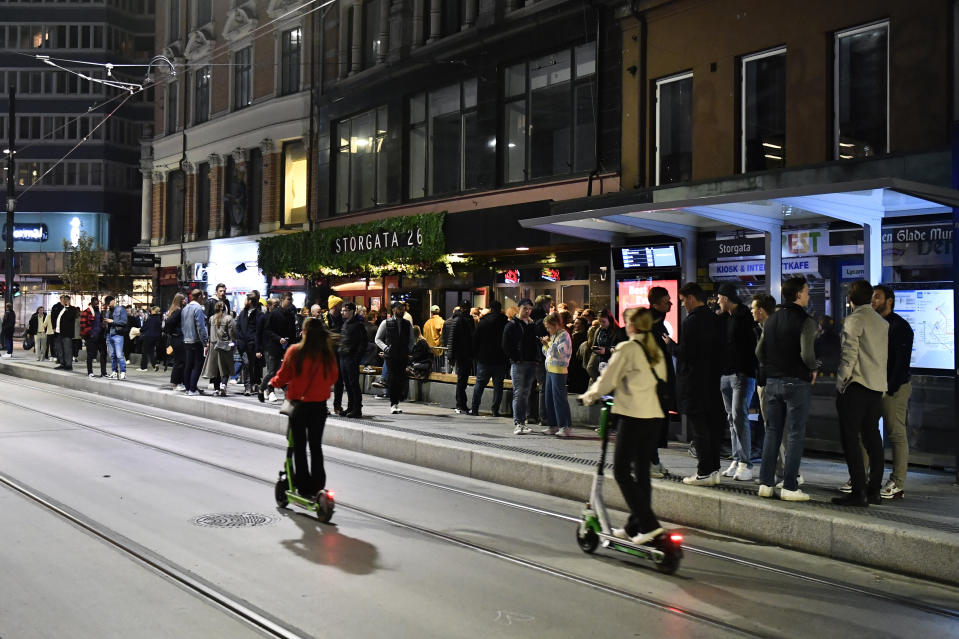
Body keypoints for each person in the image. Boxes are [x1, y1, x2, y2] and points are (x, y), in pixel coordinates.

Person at [580, 307, 669, 546]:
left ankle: (650, 526)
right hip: (655, 417)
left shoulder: (628, 348)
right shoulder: (654, 348)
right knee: (641, 473)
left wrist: (588, 396)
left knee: (620, 471)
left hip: (633, 416)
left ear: (633, 324)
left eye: (627, 320)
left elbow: (608, 379)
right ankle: (634, 526)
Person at [755, 278, 817, 501]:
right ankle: (789, 486)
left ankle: (765, 483)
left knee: (772, 432)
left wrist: (772, 366)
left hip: (773, 382)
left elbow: (759, 352)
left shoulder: (771, 320)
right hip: (796, 382)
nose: (808, 296)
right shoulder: (806, 321)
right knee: (794, 435)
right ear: (799, 294)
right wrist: (814, 368)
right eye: (807, 292)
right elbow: (807, 355)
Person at [267, 317, 339, 500]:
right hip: (320, 407)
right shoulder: (327, 355)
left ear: (304, 332)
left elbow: (282, 376)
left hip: (299, 406)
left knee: (299, 446)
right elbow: (333, 378)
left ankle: (304, 486)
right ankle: (318, 486)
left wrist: (271, 384)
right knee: (316, 446)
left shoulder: (295, 352)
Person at [833, 279, 888, 507]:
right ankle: (874, 490)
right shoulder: (881, 322)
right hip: (877, 388)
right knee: (873, 438)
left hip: (856, 386)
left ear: (850, 299)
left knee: (850, 438)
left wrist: (840, 381)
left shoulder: (854, 319)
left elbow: (849, 354)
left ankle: (858, 491)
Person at [869, 285, 914, 500]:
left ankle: (897, 482)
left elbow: (901, 363)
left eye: (877, 297)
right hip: (874, 387)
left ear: (890, 300)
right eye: (872, 297)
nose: (873, 301)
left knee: (896, 434)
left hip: (893, 389)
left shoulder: (900, 327)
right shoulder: (876, 324)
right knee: (866, 430)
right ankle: (864, 476)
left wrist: (891, 388)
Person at [678, 283, 725, 487]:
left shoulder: (692, 321)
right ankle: (714, 470)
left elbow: (687, 354)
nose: (682, 305)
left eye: (682, 300)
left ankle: (704, 472)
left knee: (700, 429)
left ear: (690, 298)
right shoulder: (715, 319)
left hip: (696, 383)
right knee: (713, 427)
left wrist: (671, 346)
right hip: (714, 382)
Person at [716, 283, 759, 482]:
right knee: (732, 418)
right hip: (726, 373)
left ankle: (746, 463)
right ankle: (737, 458)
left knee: (739, 416)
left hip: (742, 373)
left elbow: (749, 347)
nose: (717, 301)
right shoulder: (726, 317)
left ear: (725, 298)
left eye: (718, 298)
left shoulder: (744, 317)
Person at [647, 286, 678, 478]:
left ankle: (654, 461)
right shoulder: (651, 323)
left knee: (656, 422)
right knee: (654, 422)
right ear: (656, 303)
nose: (671, 304)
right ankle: (650, 462)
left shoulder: (657, 322)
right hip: (654, 383)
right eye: (667, 301)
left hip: (658, 381)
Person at [502, 298, 540, 435]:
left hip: (530, 362)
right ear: (519, 308)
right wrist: (516, 358)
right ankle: (518, 422)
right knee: (519, 393)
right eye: (525, 308)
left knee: (525, 393)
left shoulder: (530, 324)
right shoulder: (512, 324)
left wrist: (536, 359)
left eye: (530, 309)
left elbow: (534, 343)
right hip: (520, 363)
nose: (528, 311)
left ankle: (522, 422)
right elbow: (506, 344)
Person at [374, 300, 415, 414]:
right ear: (393, 310)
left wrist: (409, 349)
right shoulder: (386, 323)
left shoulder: (407, 324)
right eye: (399, 309)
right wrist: (386, 348)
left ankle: (396, 402)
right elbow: (377, 339)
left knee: (400, 378)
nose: (402, 311)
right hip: (391, 356)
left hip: (402, 355)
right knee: (392, 378)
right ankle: (393, 403)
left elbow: (411, 340)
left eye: (403, 309)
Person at [470, 300, 509, 417]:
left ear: (491, 309)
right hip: (500, 359)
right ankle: (495, 410)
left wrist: (475, 355)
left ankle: (475, 408)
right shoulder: (505, 322)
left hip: (484, 358)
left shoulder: (483, 322)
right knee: (498, 386)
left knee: (480, 384)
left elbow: (475, 340)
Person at [540, 312, 573, 437]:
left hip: (559, 371)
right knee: (549, 398)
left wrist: (548, 343)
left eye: (549, 327)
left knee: (559, 399)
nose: (547, 329)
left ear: (555, 324)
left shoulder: (564, 335)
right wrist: (546, 344)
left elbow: (561, 353)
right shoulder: (555, 335)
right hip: (550, 369)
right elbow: (549, 353)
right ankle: (553, 425)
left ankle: (565, 426)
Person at [337, 301, 368, 418]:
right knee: (348, 384)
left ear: (351, 311)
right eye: (342, 310)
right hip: (343, 357)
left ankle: (357, 408)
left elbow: (363, 343)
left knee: (353, 384)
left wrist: (356, 357)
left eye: (344, 310)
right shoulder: (345, 323)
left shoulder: (358, 325)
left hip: (351, 358)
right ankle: (350, 407)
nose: (342, 312)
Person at [202, 301, 237, 396]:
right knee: (225, 367)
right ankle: (223, 385)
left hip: (214, 346)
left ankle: (216, 388)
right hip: (225, 345)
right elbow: (232, 333)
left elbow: (209, 332)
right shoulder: (229, 318)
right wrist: (233, 343)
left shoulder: (211, 318)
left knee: (215, 368)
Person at [448, 299, 475, 414]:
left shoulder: (467, 319)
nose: (467, 310)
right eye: (465, 308)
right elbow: (452, 339)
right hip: (461, 354)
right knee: (461, 381)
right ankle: (460, 404)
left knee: (462, 380)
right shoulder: (459, 320)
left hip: (466, 353)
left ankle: (461, 404)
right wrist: (451, 356)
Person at [181, 289, 209, 395]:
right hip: (196, 341)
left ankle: (188, 388)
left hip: (186, 340)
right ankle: (192, 389)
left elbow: (183, 325)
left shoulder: (185, 308)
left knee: (188, 365)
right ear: (200, 297)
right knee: (197, 365)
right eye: (203, 296)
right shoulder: (198, 308)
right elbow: (200, 327)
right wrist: (205, 341)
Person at [236, 292, 262, 396]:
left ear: (250, 301)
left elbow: (259, 331)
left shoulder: (258, 314)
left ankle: (251, 385)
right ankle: (247, 386)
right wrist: (239, 339)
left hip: (252, 344)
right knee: (246, 363)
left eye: (247, 299)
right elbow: (238, 327)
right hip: (243, 344)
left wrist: (257, 346)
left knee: (251, 365)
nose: (245, 301)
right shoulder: (243, 313)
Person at [325, 295, 346, 415]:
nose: (341, 308)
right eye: (339, 306)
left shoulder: (342, 319)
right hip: (326, 354)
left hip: (339, 353)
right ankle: (323, 406)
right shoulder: (324, 318)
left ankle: (337, 406)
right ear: (333, 306)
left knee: (339, 381)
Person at [164, 294, 187, 390]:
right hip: (178, 338)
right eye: (184, 300)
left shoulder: (174, 310)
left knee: (179, 361)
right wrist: (175, 332)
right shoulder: (178, 311)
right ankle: (177, 383)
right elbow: (168, 323)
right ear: (181, 301)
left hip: (176, 338)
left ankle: (176, 382)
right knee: (180, 361)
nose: (186, 301)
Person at [80, 297, 107, 378]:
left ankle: (104, 372)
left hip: (100, 336)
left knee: (103, 354)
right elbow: (83, 325)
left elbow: (99, 323)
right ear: (91, 303)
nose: (96, 304)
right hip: (91, 336)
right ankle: (90, 372)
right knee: (90, 355)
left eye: (97, 303)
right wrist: (90, 334)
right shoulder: (86, 312)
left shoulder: (98, 312)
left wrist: (103, 325)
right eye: (95, 303)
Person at [567, 317, 590, 394]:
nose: (574, 325)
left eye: (577, 323)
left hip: (576, 362)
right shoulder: (586, 335)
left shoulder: (577, 336)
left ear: (582, 325)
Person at [422, 305, 445, 372]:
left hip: (429, 350)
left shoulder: (426, 323)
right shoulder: (442, 322)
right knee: (438, 369)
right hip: (438, 350)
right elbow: (443, 336)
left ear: (431, 312)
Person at [140, 307, 162, 371]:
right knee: (151, 351)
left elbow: (144, 327)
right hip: (155, 338)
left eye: (152, 310)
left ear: (153, 311)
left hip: (148, 336)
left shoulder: (150, 318)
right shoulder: (159, 319)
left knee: (144, 351)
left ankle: (144, 367)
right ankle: (154, 365)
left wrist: (141, 330)